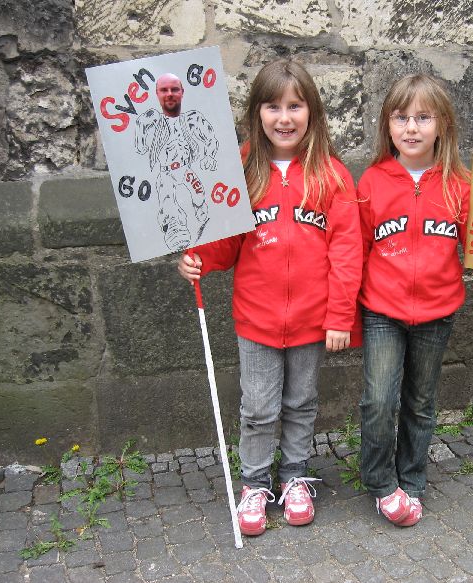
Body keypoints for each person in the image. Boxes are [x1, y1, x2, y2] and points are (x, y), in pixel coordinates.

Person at [177, 59, 361, 536]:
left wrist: (340, 316)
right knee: (258, 407)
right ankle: (255, 483)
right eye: (273, 106)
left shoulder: (332, 175)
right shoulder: (240, 170)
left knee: (301, 402)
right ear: (256, 112)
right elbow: (224, 241)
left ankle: (294, 475)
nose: (284, 118)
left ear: (312, 111)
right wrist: (199, 259)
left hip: (311, 319)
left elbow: (346, 253)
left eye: (295, 106)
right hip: (256, 318)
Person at [357, 74, 473, 527]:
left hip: (436, 316)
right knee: (379, 401)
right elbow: (352, 253)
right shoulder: (372, 182)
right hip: (381, 311)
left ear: (443, 125)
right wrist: (340, 313)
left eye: (423, 117)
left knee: (420, 402)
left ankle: (411, 480)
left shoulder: (460, 185)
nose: (411, 128)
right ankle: (380, 483)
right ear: (387, 125)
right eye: (401, 117)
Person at [135, 73, 219, 251]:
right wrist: (142, 129)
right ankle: (174, 229)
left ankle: (204, 219)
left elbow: (210, 137)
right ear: (157, 94)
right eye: (164, 90)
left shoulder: (192, 119)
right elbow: (140, 147)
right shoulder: (150, 121)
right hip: (165, 172)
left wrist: (209, 155)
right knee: (167, 201)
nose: (169, 94)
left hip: (185, 168)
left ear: (182, 92)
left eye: (174, 89)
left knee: (199, 194)